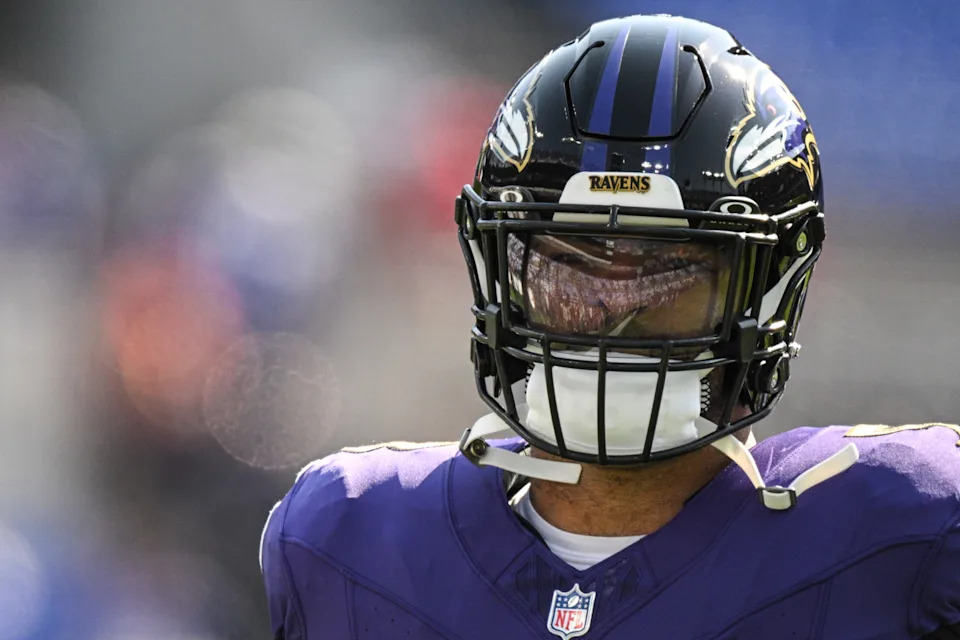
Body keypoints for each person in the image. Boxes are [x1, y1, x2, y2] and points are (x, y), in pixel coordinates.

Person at [260, 14, 960, 639]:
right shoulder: (349, 540)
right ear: (501, 272)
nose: (607, 320)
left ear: (772, 288)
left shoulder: (905, 534)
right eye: (570, 267)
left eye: (667, 277)